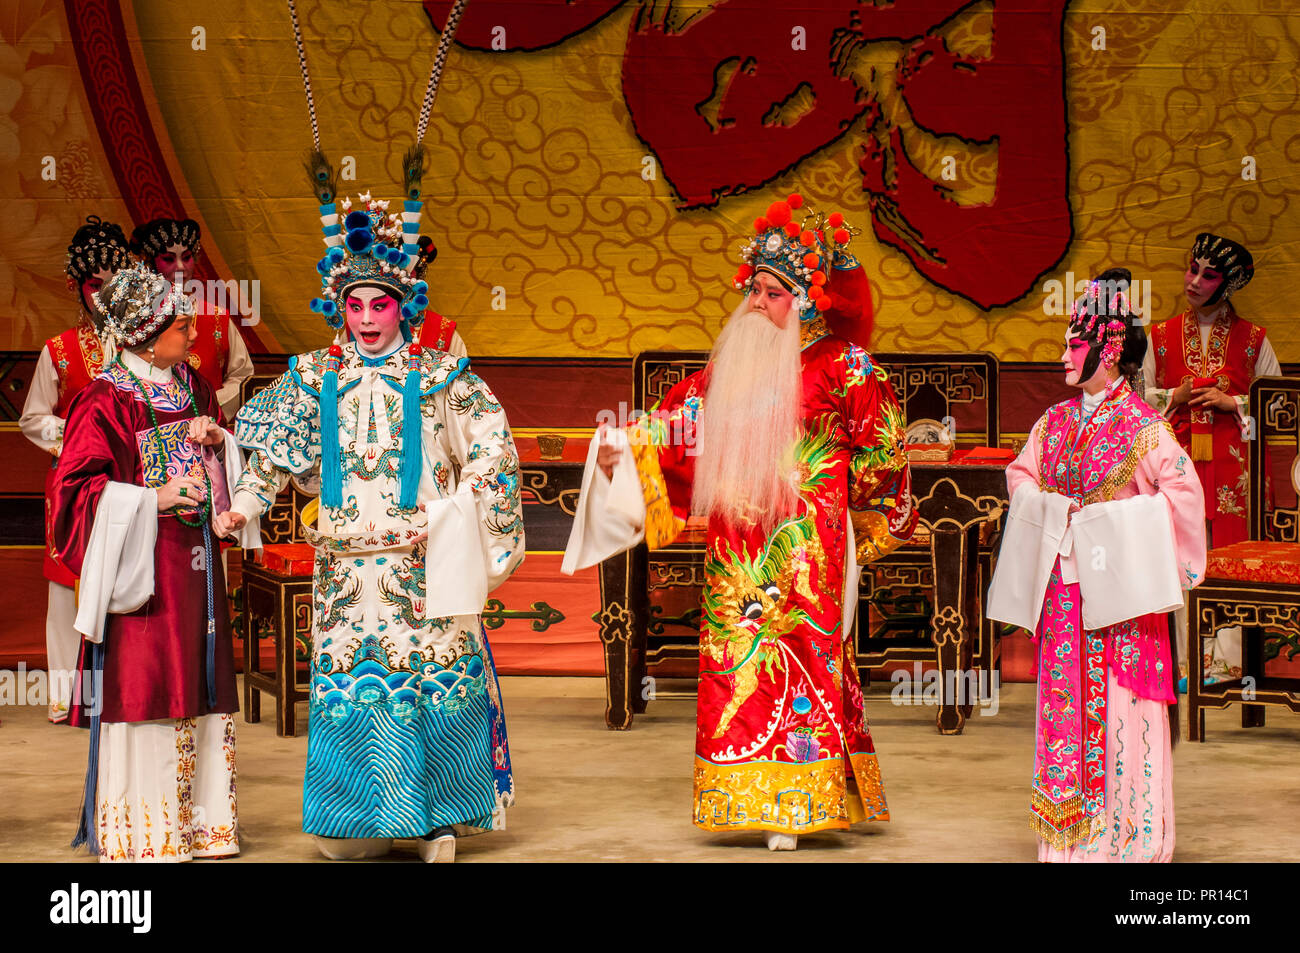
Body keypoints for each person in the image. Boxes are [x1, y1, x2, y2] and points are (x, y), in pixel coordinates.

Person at [563, 193, 916, 851]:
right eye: (754, 288)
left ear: (806, 301)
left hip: (809, 550)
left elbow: (884, 448)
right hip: (737, 554)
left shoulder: (845, 366)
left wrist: (859, 512)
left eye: (773, 291)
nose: (757, 301)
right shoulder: (729, 370)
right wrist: (630, 441)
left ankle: (800, 801)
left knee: (806, 662)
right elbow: (678, 426)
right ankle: (740, 795)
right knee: (737, 665)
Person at [219, 189, 523, 864]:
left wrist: (452, 517)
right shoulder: (314, 376)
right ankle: (355, 818)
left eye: (379, 304)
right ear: (338, 306)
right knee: (352, 685)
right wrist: (244, 502)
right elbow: (271, 454)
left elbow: (495, 453)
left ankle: (436, 819)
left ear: (404, 305)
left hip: (422, 561)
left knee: (430, 679)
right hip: (346, 571)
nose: (366, 319)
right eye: (353, 304)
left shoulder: (441, 376)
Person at [988, 268, 1206, 862]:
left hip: (1121, 603)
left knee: (1120, 710)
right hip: (1065, 600)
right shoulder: (1052, 423)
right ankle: (1068, 844)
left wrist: (1119, 526)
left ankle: (1131, 841)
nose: (1063, 355)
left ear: (1108, 354)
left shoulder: (1144, 427)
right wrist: (1053, 510)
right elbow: (1021, 475)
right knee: (1065, 705)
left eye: (1074, 345)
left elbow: (1184, 494)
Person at [51, 262, 254, 862]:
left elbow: (213, 454)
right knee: (148, 683)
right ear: (145, 333)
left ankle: (205, 827)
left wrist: (221, 446)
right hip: (144, 571)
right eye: (179, 323)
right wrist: (150, 498)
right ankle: (147, 832)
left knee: (201, 673)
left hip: (196, 565)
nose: (193, 331)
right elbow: (72, 496)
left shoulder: (191, 384)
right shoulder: (104, 400)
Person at [1144, 234, 1276, 686]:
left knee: (1228, 556)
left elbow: (1279, 408)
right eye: (1192, 269)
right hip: (1175, 467)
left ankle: (1230, 664)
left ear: (1229, 284)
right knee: (1176, 555)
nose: (1195, 281)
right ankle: (1181, 659)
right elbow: (1135, 404)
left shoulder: (1254, 339)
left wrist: (1234, 402)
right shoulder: (1158, 337)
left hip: (1233, 470)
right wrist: (1172, 396)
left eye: (1209, 274)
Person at [19, 216, 130, 722]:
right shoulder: (59, 350)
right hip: (75, 481)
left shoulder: (146, 345)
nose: (103, 294)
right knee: (68, 583)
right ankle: (69, 696)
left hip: (132, 480)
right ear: (75, 285)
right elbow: (33, 417)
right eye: (93, 284)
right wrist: (79, 438)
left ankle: (128, 689)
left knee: (130, 579)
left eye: (113, 282)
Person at [131, 217, 254, 422]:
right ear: (151, 263)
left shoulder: (216, 319)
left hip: (209, 430)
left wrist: (209, 406)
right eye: (169, 259)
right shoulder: (137, 320)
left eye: (186, 257)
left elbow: (242, 377)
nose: (180, 267)